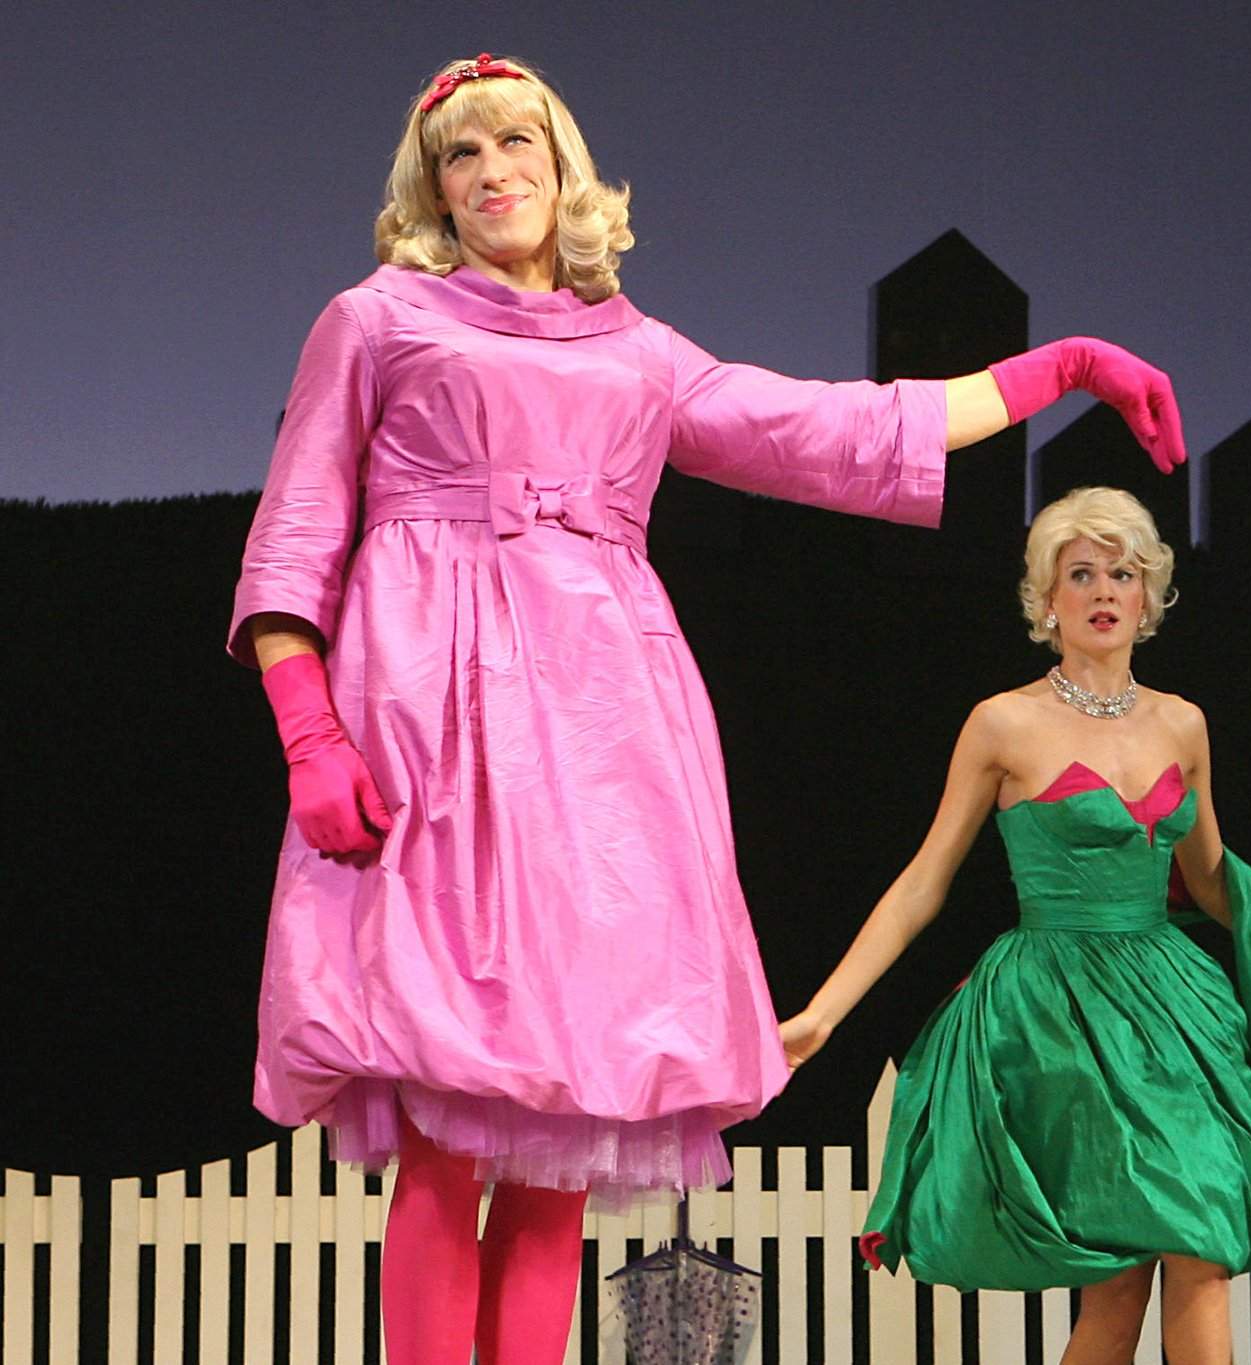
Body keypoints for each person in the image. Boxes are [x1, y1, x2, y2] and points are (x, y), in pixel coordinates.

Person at [230, 54, 1186, 1365]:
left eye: (516, 143)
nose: (493, 171)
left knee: (567, 1127)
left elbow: (829, 431)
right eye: (462, 153)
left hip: (603, 743)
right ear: (433, 190)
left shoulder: (635, 351)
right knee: (448, 1122)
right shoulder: (377, 320)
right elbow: (294, 535)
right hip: (437, 733)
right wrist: (309, 733)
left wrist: (1057, 368)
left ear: (562, 168)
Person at [780, 487, 1251, 1365]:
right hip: (1059, 1015)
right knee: (1120, 1290)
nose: (1104, 590)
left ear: (1148, 596)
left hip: (1176, 1012)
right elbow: (921, 883)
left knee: (1203, 1237)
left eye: (1124, 573)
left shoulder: (1182, 723)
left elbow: (1212, 877)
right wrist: (823, 1013)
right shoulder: (1002, 722)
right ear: (1047, 600)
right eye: (1082, 573)